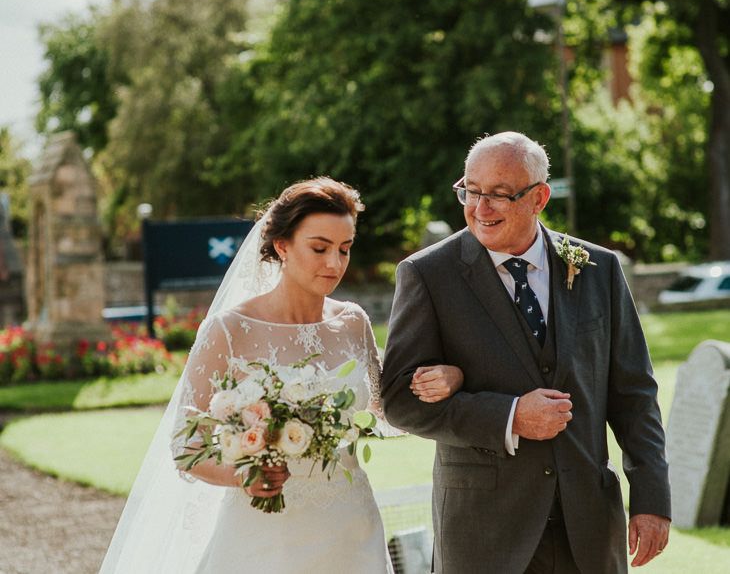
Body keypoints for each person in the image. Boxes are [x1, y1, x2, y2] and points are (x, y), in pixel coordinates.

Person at [100, 176, 462, 574]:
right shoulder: (230, 330)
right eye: (320, 248)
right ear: (282, 245)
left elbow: (383, 414)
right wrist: (243, 476)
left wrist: (444, 384)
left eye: (344, 249)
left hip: (349, 527)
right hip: (264, 534)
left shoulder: (353, 322)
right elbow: (186, 444)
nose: (334, 263)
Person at [380, 133, 671, 574]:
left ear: (539, 198)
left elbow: (634, 394)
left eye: (499, 194)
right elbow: (400, 402)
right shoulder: (427, 274)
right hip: (484, 534)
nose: (480, 208)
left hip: (588, 529)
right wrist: (511, 416)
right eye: (471, 191)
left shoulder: (599, 269)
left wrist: (651, 499)